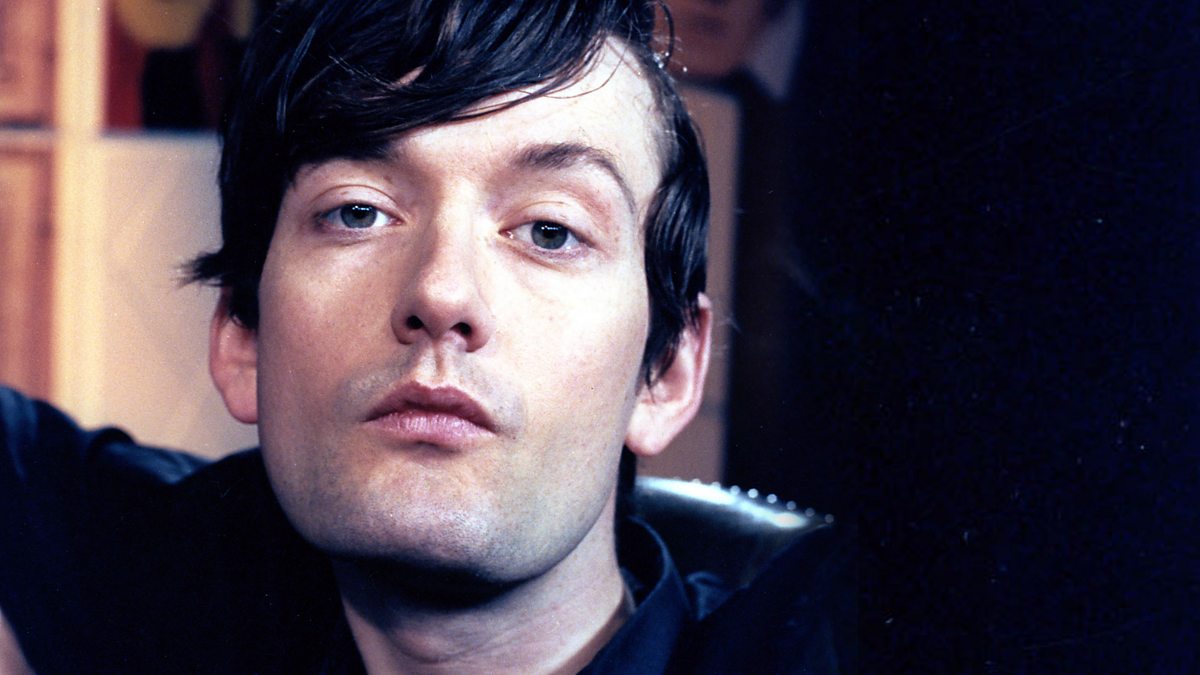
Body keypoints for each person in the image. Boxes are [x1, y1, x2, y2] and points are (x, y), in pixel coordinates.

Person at [0, 0, 851, 672]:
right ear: (242, 337)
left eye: (549, 231)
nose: (442, 292)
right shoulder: (172, 579)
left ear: (665, 370)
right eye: (358, 213)